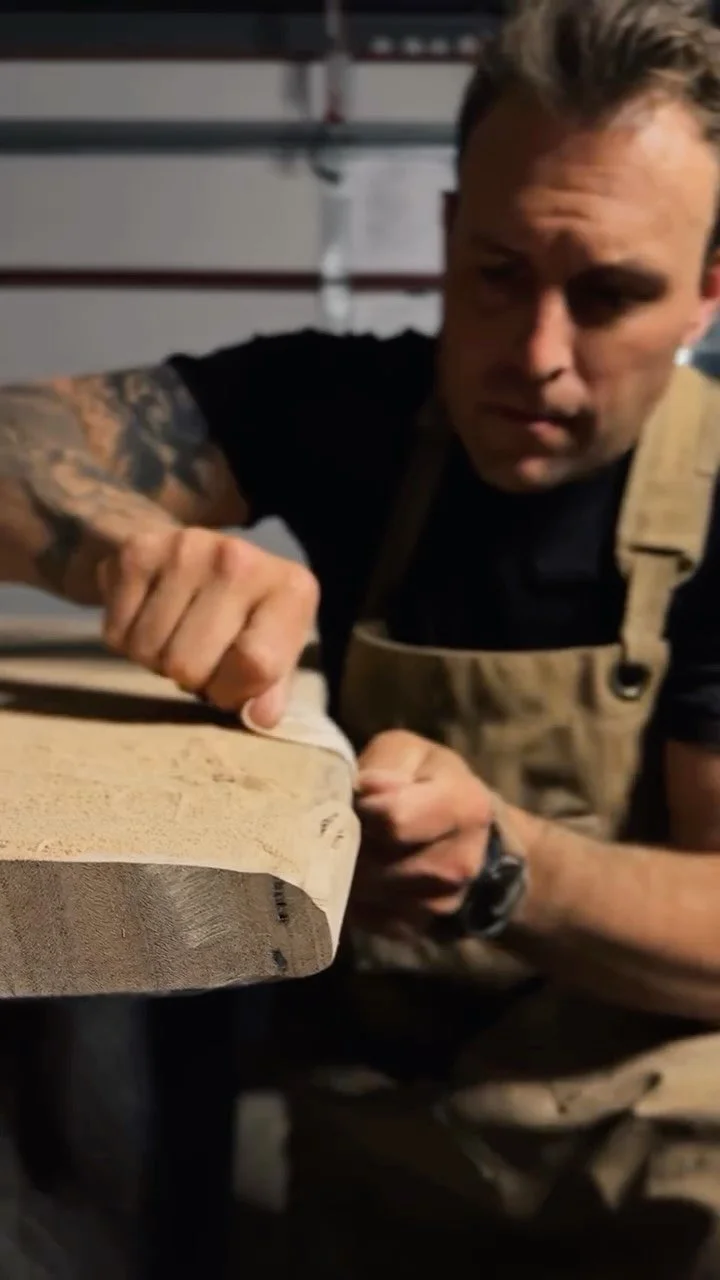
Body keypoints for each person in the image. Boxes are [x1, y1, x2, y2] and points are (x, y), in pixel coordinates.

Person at [3, 0, 720, 1274]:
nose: (538, 354)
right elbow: (19, 439)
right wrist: (127, 546)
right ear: (446, 233)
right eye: (497, 272)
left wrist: (503, 864)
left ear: (708, 293)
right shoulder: (349, 405)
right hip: (376, 1143)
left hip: (654, 1159)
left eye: (609, 295)